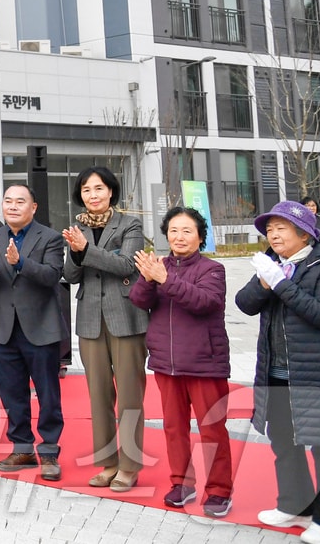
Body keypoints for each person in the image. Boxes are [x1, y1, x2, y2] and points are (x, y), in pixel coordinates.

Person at [236, 201, 320, 544]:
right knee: (284, 443)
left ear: (304, 234)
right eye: (269, 229)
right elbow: (244, 304)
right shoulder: (274, 264)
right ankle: (296, 503)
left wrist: (281, 284)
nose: (273, 235)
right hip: (277, 371)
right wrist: (265, 282)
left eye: (281, 228)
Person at [129, 206, 233, 517]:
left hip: (205, 363)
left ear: (201, 236)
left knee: (212, 430)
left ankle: (219, 491)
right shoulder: (159, 266)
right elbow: (139, 300)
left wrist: (164, 279)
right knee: (174, 427)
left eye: (187, 231)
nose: (179, 237)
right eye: (174, 230)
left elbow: (205, 302)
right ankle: (181, 483)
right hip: (166, 363)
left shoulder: (213, 270)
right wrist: (149, 279)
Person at [61, 166, 148, 492]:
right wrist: (75, 251)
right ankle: (108, 463)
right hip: (89, 320)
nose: (93, 195)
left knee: (129, 397)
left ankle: (129, 466)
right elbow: (70, 275)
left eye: (98, 189)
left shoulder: (130, 224)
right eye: (86, 190)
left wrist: (86, 250)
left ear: (111, 191)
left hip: (126, 317)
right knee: (98, 397)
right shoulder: (76, 228)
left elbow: (126, 265)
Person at [0, 183, 66, 480]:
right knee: (12, 393)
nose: (12, 206)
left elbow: (52, 275)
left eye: (20, 201)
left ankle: (49, 452)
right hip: (3, 330)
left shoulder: (50, 238)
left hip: (40, 328)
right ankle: (23, 447)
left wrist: (20, 262)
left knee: (48, 395)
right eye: (7, 201)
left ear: (33, 207)